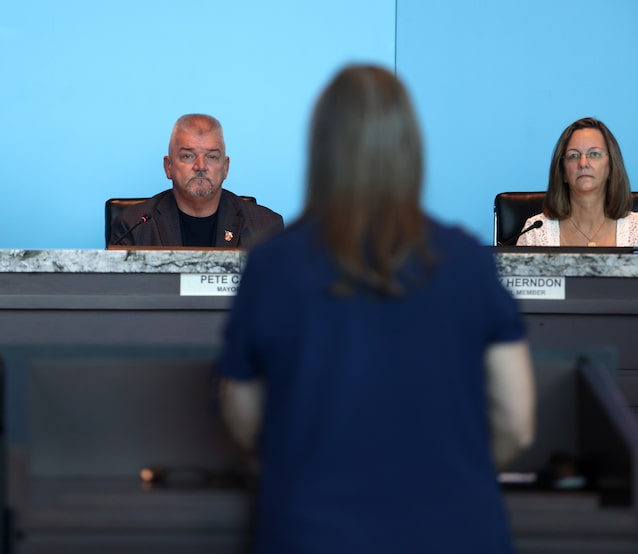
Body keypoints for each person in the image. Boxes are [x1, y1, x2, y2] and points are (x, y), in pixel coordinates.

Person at [217, 65, 535, 553]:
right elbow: (516, 419)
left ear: (321, 149)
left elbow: (243, 416)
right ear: (410, 147)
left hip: (311, 529)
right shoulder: (469, 260)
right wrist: (451, 477)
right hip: (457, 529)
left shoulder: (272, 266)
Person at [108, 114, 283, 247]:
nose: (200, 166)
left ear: (225, 167)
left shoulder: (266, 227)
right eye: (188, 156)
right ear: (168, 167)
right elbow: (119, 292)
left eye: (212, 156)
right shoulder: (133, 227)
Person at [516, 117, 637, 246]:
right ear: (563, 171)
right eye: (573, 155)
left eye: (594, 154)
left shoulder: (635, 231)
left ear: (612, 166)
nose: (583, 163)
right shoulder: (535, 232)